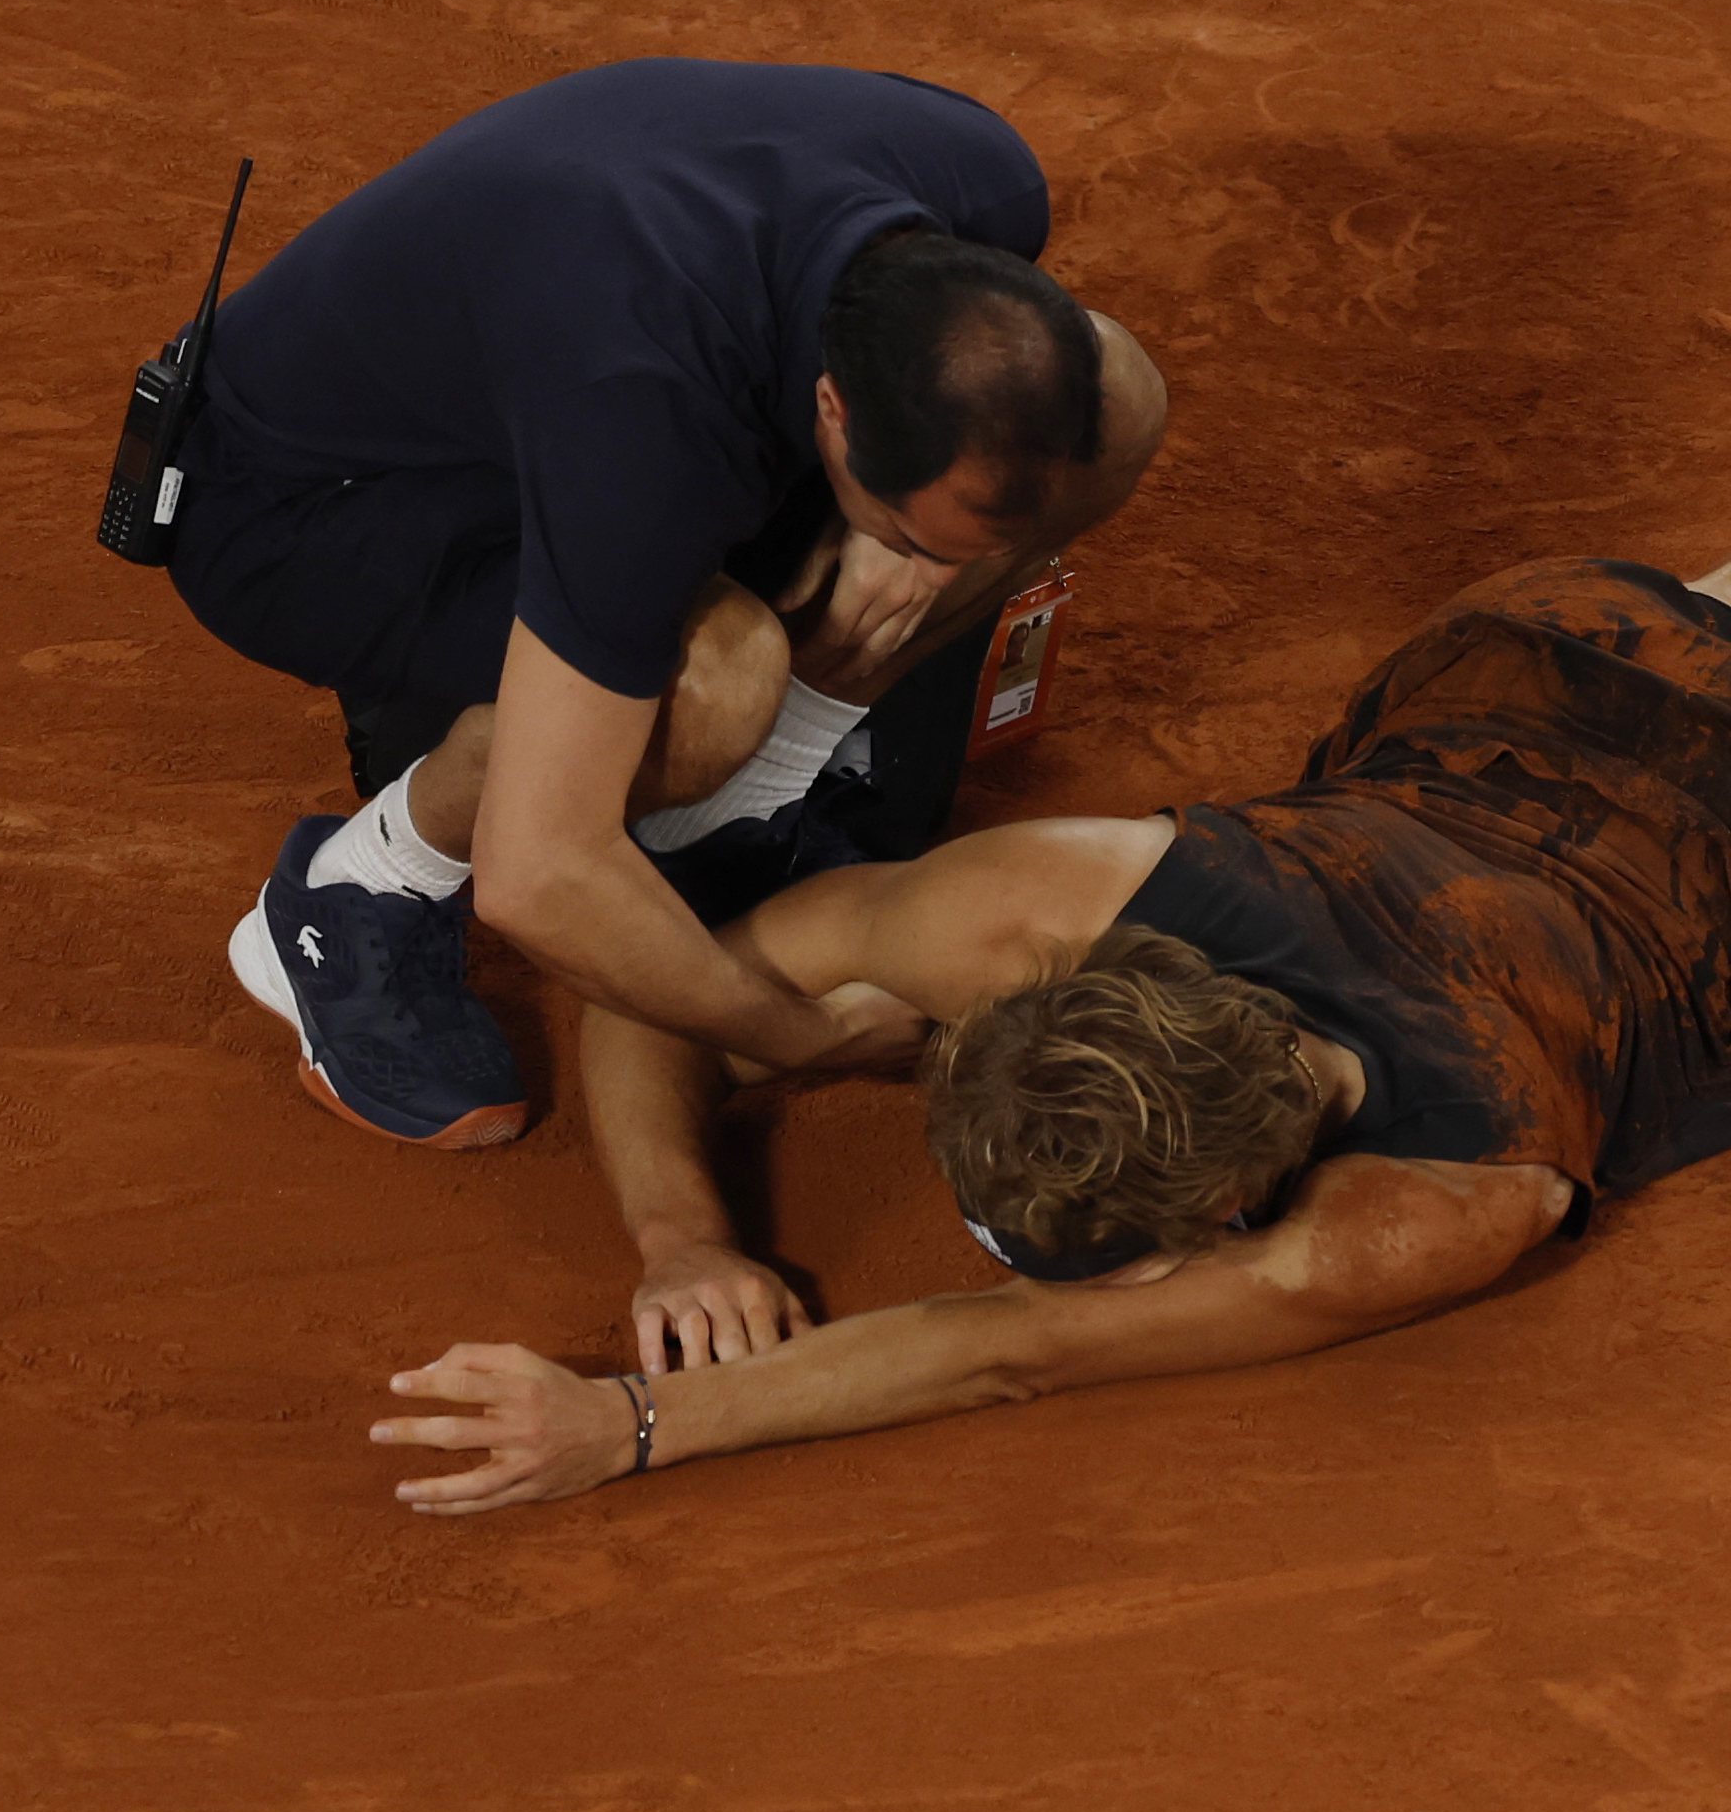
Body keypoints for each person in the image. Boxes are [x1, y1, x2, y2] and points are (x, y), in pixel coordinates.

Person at [365, 16, 1731, 1512]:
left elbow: (999, 1350)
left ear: (1219, 1205)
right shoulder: (1057, 902)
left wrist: (638, 1423)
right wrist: (662, 1256)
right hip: (1520, 671)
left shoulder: (1426, 1206)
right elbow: (683, 974)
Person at [159, 60, 1166, 1156]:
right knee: (715, 678)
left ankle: (750, 806)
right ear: (831, 410)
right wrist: (800, 1031)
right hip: (298, 511)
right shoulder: (639, 411)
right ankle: (361, 887)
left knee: (1117, 390)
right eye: (915, 543)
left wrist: (919, 539)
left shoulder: (984, 179)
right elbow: (540, 875)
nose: (936, 572)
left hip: (558, 358)